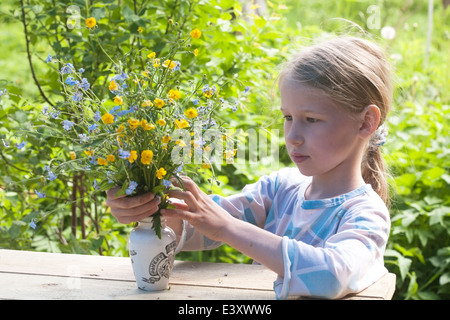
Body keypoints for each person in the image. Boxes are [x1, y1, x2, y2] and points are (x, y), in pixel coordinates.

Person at [106, 36, 393, 299]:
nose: (292, 136)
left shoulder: (366, 213)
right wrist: (148, 208)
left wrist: (228, 228)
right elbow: (200, 230)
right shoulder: (281, 188)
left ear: (366, 122)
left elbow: (331, 277)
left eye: (312, 119)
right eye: (288, 117)